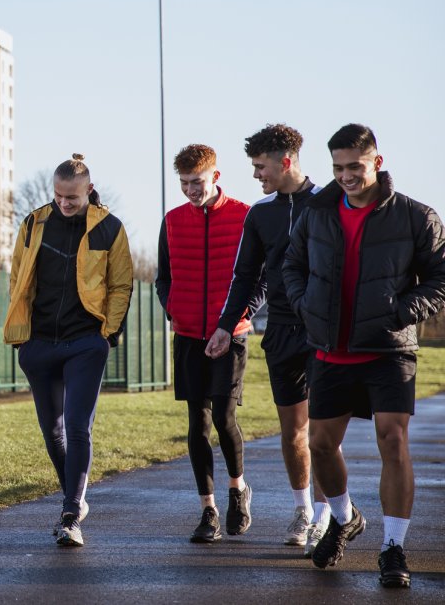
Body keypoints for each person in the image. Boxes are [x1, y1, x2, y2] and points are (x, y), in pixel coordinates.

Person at [282, 124, 445, 588]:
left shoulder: (415, 216)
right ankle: (345, 516)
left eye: (355, 166)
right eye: (338, 167)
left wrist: (405, 309)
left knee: (392, 440)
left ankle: (393, 547)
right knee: (319, 445)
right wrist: (303, 303)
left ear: (377, 160)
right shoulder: (316, 212)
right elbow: (292, 265)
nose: (347, 176)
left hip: (389, 347)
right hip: (330, 346)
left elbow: (441, 275)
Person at [3, 154, 133, 548]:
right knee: (52, 431)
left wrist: (106, 335)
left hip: (85, 343)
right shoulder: (34, 223)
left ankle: (71, 513)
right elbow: (17, 276)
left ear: (88, 191)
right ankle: (74, 494)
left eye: (72, 197)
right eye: (58, 195)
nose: (64, 203)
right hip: (40, 342)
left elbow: (121, 285)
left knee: (77, 427)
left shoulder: (109, 228)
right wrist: (24, 339)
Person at [217, 124, 327, 554]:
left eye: (260, 166)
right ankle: (302, 510)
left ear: (286, 162)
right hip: (281, 331)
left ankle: (326, 515)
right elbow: (245, 276)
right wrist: (227, 325)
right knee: (293, 431)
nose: (256, 175)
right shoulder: (260, 213)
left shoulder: (329, 204)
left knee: (323, 433)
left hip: (324, 329)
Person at [157, 143, 260, 544]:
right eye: (184, 184)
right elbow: (162, 277)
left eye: (196, 182)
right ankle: (208, 510)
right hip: (188, 336)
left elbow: (259, 280)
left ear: (215, 176)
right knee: (197, 425)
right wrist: (174, 311)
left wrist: (233, 319)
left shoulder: (244, 216)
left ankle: (237, 491)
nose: (190, 191)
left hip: (230, 335)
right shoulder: (171, 220)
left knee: (223, 419)